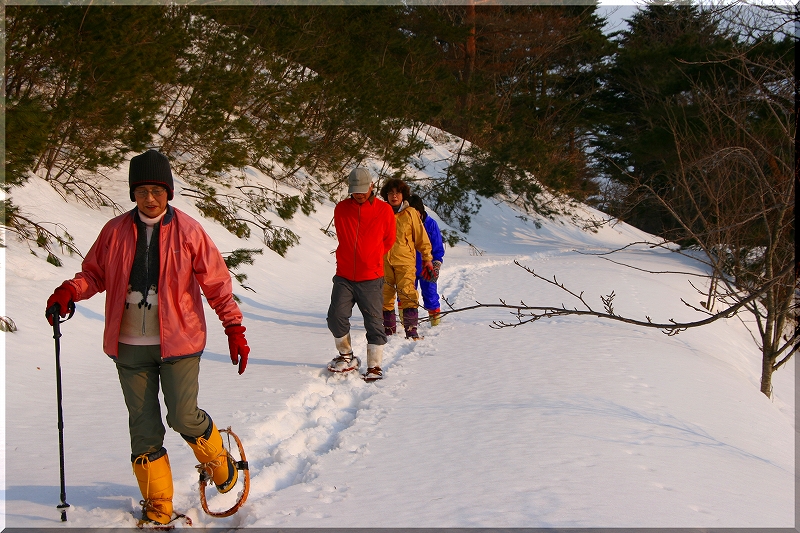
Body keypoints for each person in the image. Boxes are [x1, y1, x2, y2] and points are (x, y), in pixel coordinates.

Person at [44, 149, 251, 526]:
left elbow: (217, 284)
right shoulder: (115, 230)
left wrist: (234, 329)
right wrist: (68, 291)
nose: (150, 198)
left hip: (180, 342)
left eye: (157, 190)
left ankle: (220, 462)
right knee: (143, 428)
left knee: (184, 417)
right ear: (133, 194)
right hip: (129, 347)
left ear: (168, 192)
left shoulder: (188, 230)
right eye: (142, 191)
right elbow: (94, 274)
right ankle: (158, 504)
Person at [326, 167, 396, 382]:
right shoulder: (341, 209)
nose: (359, 194)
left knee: (374, 322)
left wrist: (371, 256)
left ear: (371, 187)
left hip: (371, 277)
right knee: (335, 317)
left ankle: (374, 366)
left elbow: (389, 240)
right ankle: (346, 356)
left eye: (363, 190)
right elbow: (343, 237)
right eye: (355, 190)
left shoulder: (384, 211)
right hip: (345, 275)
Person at [379, 179, 434, 340]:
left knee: (408, 293)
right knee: (385, 295)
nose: (394, 196)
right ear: (386, 195)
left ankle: (411, 329)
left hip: (405, 261)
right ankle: (388, 329)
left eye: (397, 193)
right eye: (390, 193)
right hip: (384, 260)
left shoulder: (410, 213)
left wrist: (427, 258)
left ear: (403, 195)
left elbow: (421, 238)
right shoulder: (381, 212)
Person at [407, 194, 445, 326]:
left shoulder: (430, 224)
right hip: (408, 267)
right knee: (406, 296)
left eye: (414, 212)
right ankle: (407, 323)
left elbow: (437, 247)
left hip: (426, 267)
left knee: (430, 294)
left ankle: (435, 323)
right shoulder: (405, 224)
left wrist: (436, 264)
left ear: (420, 210)